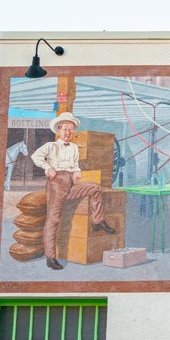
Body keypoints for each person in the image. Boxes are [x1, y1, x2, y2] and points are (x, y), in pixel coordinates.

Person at [29, 113, 117, 271]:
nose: (68, 133)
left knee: (95, 188)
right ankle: (50, 257)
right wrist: (48, 168)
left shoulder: (74, 147)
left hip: (70, 183)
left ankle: (97, 221)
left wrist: (76, 171)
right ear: (59, 130)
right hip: (56, 184)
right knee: (53, 220)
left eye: (70, 130)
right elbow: (36, 156)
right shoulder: (51, 146)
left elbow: (75, 164)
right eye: (65, 129)